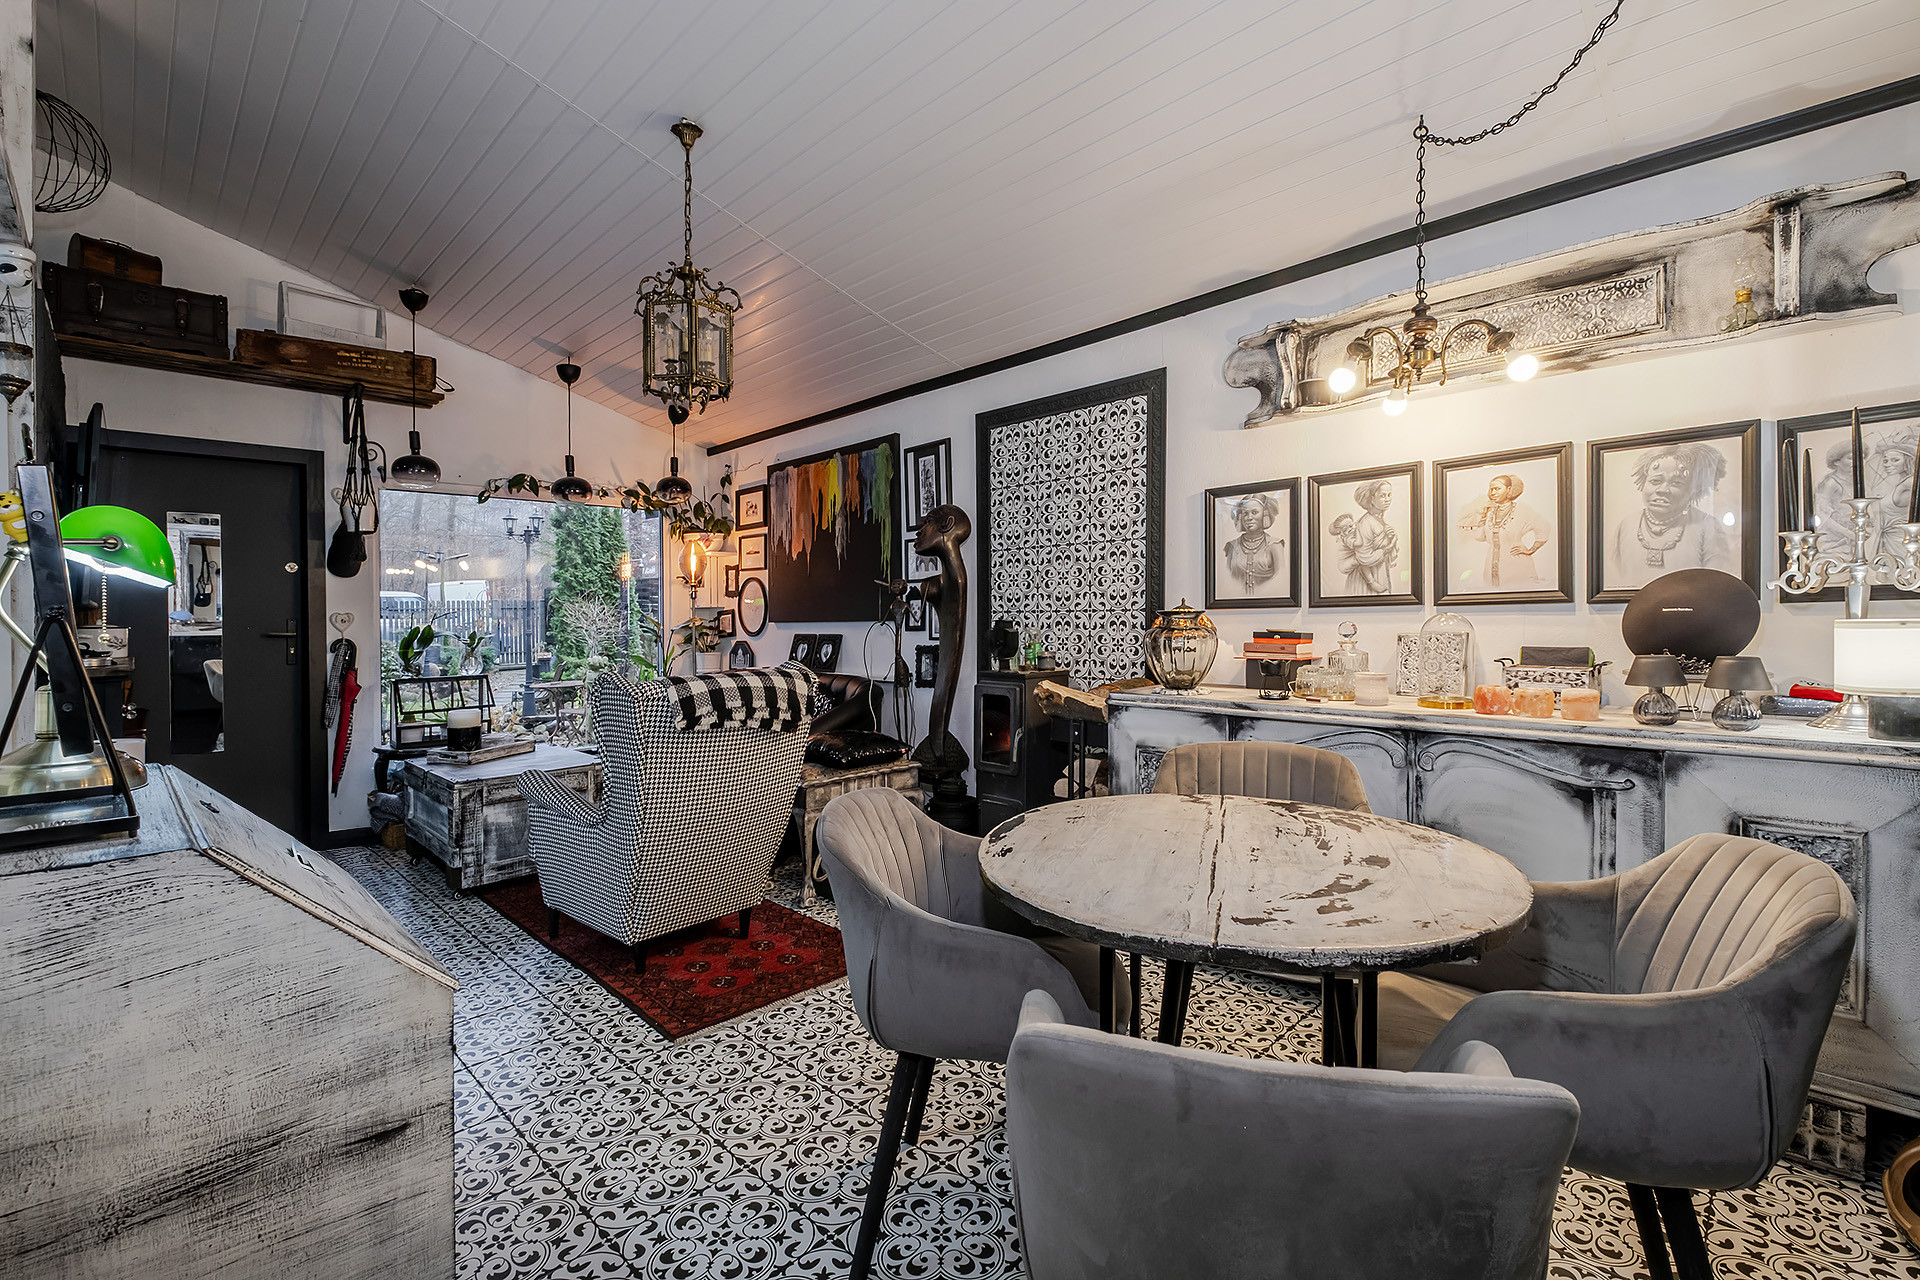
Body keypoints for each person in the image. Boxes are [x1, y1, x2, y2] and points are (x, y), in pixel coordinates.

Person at [1603, 443, 1737, 588]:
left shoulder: (1707, 527)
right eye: (1655, 481)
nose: (1663, 490)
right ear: (1644, 483)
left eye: (1676, 483)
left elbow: (1719, 585)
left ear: (1693, 490)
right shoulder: (1626, 526)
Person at [1455, 473, 1551, 591]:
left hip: (1517, 565)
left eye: (1497, 489)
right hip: (1491, 566)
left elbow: (1544, 527)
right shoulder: (1490, 511)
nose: (1493, 493)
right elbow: (1480, 537)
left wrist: (1531, 549)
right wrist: (1484, 515)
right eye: (1491, 489)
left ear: (1509, 489)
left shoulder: (1522, 510)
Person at [1341, 479, 1399, 595]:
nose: (1387, 499)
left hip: (1379, 571)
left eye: (1389, 495)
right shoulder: (1366, 523)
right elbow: (1364, 557)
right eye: (1382, 496)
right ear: (1372, 498)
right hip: (1367, 580)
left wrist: (1391, 537)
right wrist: (1390, 545)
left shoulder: (1379, 519)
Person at [1222, 492, 1282, 593]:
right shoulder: (1232, 546)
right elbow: (1226, 578)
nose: (1249, 518)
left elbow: (1281, 578)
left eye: (1254, 512)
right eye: (1245, 513)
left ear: (1265, 514)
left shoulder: (1275, 545)